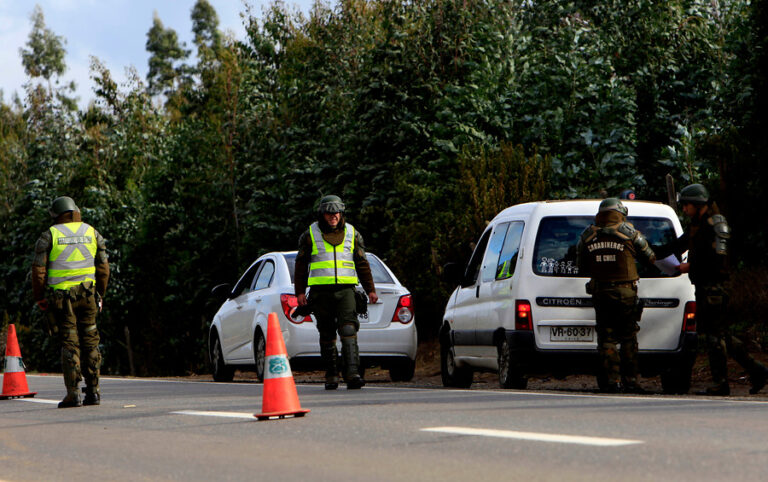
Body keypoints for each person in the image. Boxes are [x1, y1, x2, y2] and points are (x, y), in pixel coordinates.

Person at [659, 183, 768, 396]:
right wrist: (653, 254)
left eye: (686, 205)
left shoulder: (716, 224)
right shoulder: (697, 224)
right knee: (719, 334)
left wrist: (688, 266)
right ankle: (757, 371)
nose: (684, 210)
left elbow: (719, 259)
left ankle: (721, 382)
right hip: (704, 284)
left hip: (716, 286)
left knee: (713, 336)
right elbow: (679, 245)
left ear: (697, 204)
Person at [31, 196, 110, 408]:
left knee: (70, 343)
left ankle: (73, 393)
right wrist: (99, 294)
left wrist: (40, 298)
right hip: (89, 297)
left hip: (63, 301)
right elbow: (103, 269)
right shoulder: (92, 232)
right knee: (91, 340)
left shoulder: (50, 235)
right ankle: (94, 392)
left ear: (57, 215)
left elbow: (38, 272)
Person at [294, 195, 378, 390]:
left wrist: (370, 289)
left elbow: (362, 263)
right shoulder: (309, 235)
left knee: (349, 330)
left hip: (346, 291)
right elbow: (300, 266)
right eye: (329, 213)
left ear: (342, 213)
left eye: (336, 213)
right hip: (320, 293)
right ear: (322, 214)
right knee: (326, 333)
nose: (333, 216)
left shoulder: (352, 233)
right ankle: (331, 375)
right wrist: (299, 292)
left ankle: (352, 374)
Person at [577, 198, 657, 393]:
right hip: (626, 293)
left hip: (601, 292)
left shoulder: (587, 236)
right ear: (621, 213)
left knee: (606, 338)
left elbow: (581, 266)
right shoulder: (629, 233)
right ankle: (631, 381)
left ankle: (611, 382)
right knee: (629, 337)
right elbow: (651, 258)